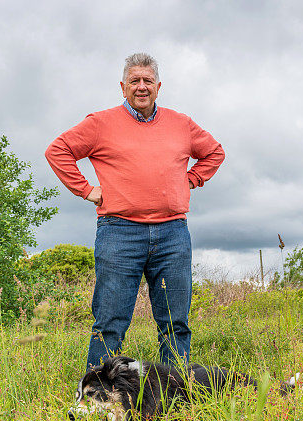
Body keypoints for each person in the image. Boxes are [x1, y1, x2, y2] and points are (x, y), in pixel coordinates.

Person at [45, 52, 224, 370]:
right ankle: (97, 402)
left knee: (175, 323)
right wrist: (87, 190)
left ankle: (175, 398)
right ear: (123, 87)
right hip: (119, 232)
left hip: (172, 234)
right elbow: (57, 150)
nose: (141, 87)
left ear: (158, 86)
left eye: (147, 81)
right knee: (110, 324)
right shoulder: (100, 123)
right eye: (134, 81)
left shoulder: (181, 124)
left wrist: (191, 179)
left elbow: (214, 152)